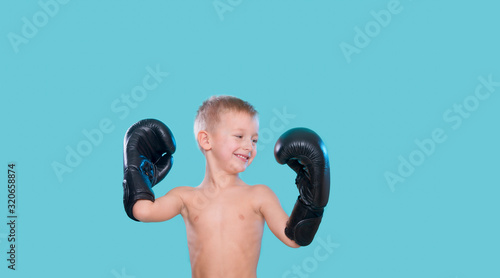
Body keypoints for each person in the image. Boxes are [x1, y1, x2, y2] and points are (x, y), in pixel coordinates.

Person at [121, 95, 330, 277]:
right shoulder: (185, 197)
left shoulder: (258, 195)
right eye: (239, 136)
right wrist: (136, 170)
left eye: (255, 140)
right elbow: (143, 211)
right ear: (206, 140)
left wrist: (312, 198)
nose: (249, 146)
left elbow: (295, 238)